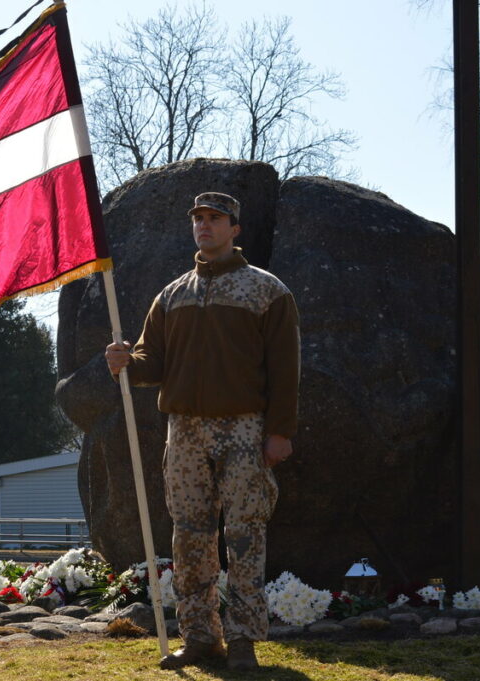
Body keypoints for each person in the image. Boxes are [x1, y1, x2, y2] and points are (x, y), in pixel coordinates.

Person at [105, 192, 300, 671]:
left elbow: (285, 369)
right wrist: (125, 362)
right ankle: (198, 639)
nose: (204, 226)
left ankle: (244, 643)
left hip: (245, 430)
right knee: (189, 538)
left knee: (244, 536)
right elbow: (154, 363)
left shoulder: (267, 291)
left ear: (235, 229)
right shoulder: (172, 296)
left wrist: (280, 431)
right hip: (185, 432)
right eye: (198, 219)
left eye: (215, 219)